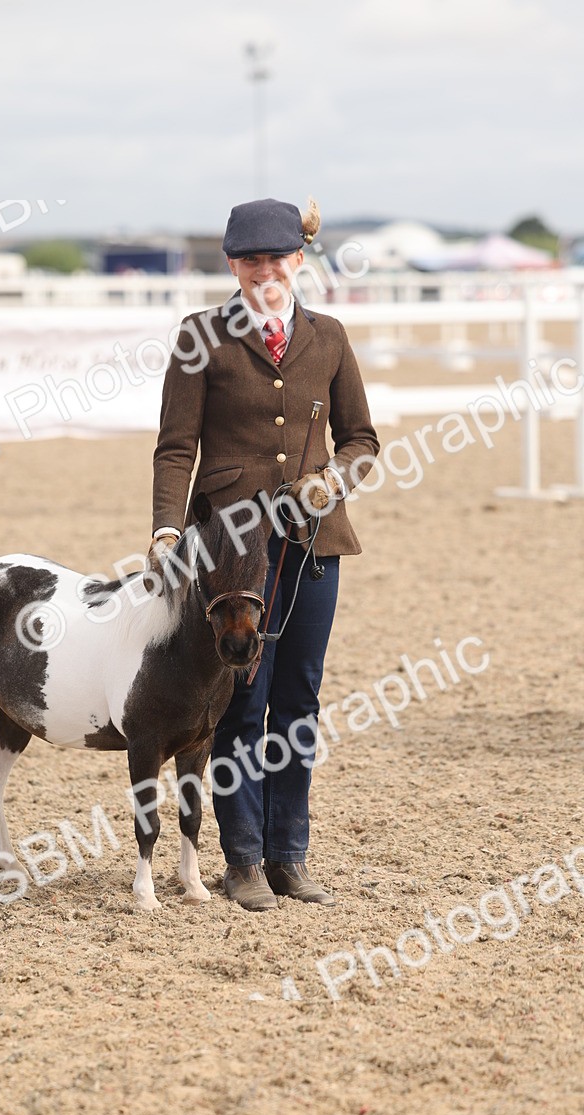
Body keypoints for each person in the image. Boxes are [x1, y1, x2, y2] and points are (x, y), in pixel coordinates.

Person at [148, 197, 379, 911]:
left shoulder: (330, 336)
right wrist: (164, 530)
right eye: (250, 261)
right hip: (229, 551)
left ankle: (289, 857)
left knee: (299, 703)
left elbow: (363, 440)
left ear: (298, 261)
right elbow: (176, 446)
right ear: (232, 265)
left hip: (314, 543)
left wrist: (332, 482)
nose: (264, 271)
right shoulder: (199, 337)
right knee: (242, 703)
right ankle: (241, 860)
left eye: (276, 259)